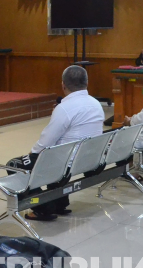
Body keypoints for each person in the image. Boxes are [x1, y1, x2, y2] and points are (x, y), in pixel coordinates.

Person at [9, 66, 104, 221]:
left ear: (63, 85)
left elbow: (44, 144)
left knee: (14, 164)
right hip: (88, 160)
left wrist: (31, 155)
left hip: (66, 162)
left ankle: (43, 207)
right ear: (86, 83)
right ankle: (59, 203)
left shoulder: (64, 108)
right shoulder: (96, 103)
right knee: (60, 153)